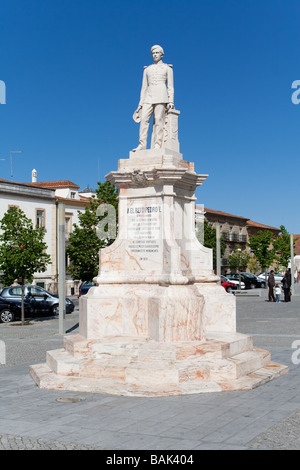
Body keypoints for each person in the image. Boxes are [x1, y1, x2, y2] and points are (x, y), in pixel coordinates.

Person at [132, 45, 174, 151]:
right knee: (144, 120)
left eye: (157, 53)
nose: (155, 55)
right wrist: (140, 105)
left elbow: (170, 86)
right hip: (148, 97)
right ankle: (142, 144)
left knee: (159, 120)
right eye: (153, 53)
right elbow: (143, 88)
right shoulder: (147, 70)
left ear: (161, 54)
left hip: (161, 95)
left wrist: (171, 101)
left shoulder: (167, 68)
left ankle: (157, 144)